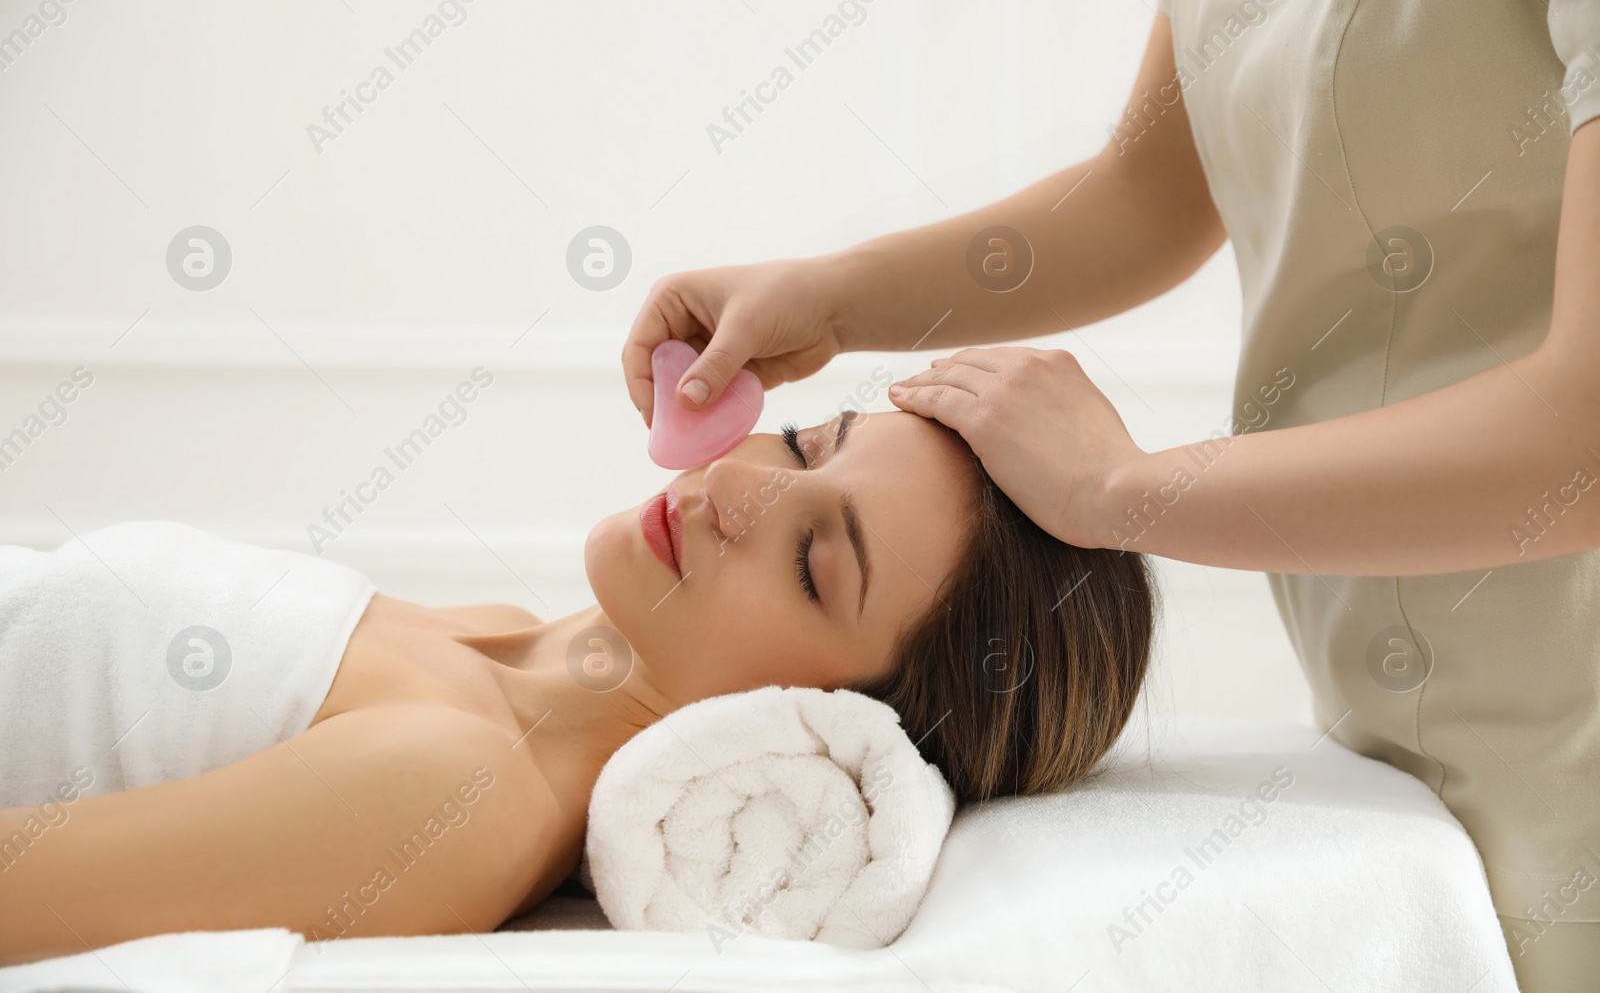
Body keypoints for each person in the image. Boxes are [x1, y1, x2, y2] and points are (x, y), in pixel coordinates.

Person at [621, 0, 1600, 988]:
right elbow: (1149, 192)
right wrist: (834, 295)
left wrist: (1123, 492)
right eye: (813, 439)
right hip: (1390, 711)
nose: (736, 488)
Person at [0, 410, 1154, 965]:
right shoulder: (501, 640)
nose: (739, 483)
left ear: (830, 727)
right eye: (806, 443)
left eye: (812, 562)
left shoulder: (461, 787)